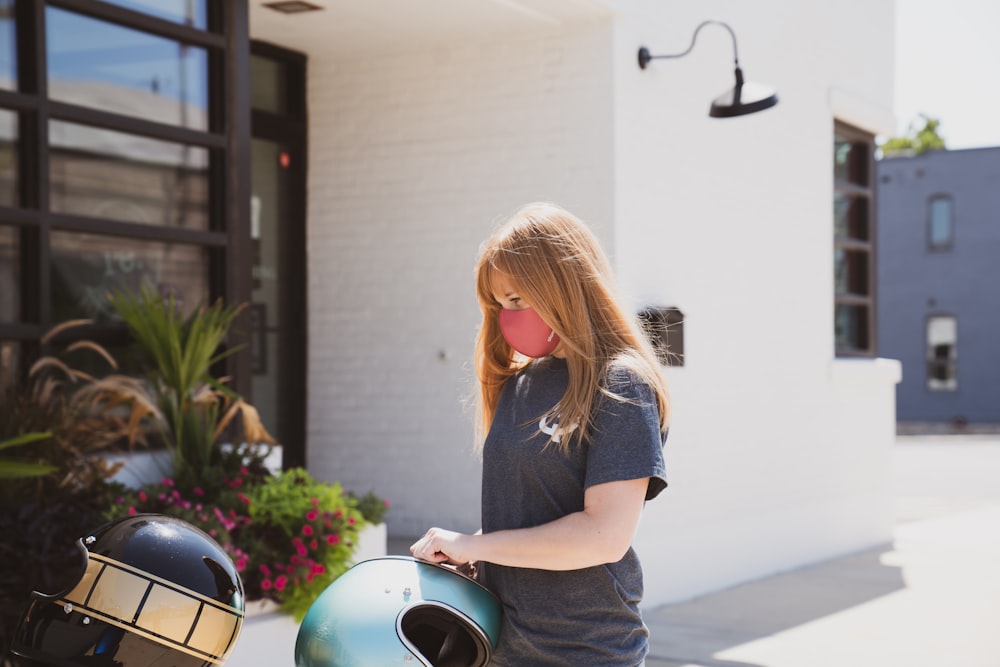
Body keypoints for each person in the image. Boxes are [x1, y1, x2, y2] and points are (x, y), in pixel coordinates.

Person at [411, 202, 670, 666]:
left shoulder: (621, 383)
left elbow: (603, 535)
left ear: (564, 287)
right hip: (500, 646)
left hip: (587, 651)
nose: (507, 316)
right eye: (499, 303)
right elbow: (526, 516)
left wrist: (477, 545)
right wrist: (462, 553)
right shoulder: (520, 384)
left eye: (517, 299)